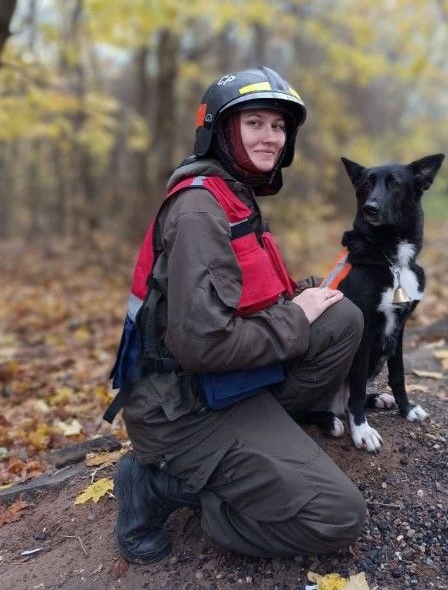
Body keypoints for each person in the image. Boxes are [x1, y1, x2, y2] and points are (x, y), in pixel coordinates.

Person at [111, 66, 366, 562]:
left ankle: (269, 441)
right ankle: (159, 485)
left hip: (223, 383)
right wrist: (296, 316)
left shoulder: (232, 194)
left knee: (342, 318)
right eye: (255, 123)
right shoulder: (198, 210)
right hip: (183, 410)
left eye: (278, 126)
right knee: (338, 518)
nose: (270, 137)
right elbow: (201, 344)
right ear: (221, 131)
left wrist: (305, 296)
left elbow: (243, 297)